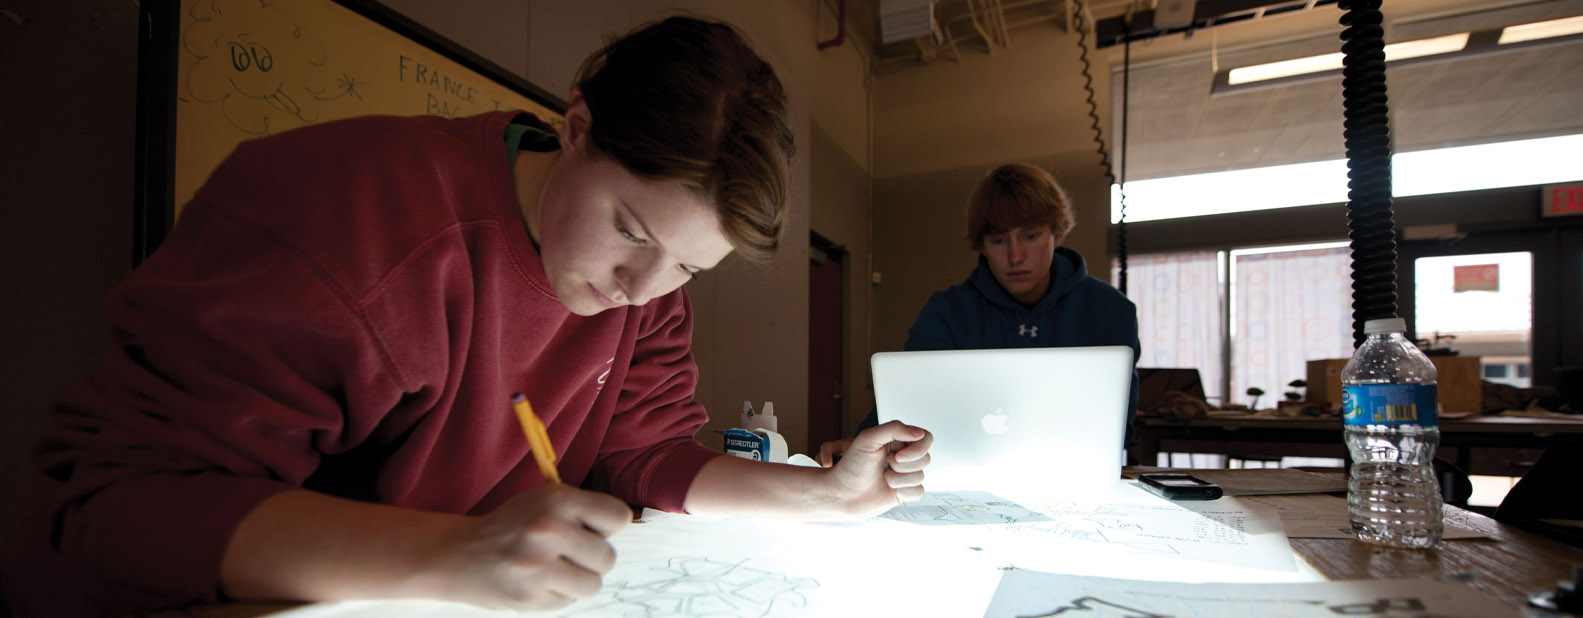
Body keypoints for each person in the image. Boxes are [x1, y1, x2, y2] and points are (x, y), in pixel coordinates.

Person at [3, 17, 931, 617]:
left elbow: (648, 456)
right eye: (627, 229)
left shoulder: (647, 293)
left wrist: (827, 495)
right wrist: (448, 553)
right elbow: (111, 508)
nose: (640, 288)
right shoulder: (352, 218)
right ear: (574, 125)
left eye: (689, 266)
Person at [820, 163, 1135, 465]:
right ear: (982, 246)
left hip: (1074, 475)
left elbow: (1118, 426)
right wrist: (863, 443)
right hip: (960, 477)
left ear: (1057, 234)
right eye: (999, 240)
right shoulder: (946, 311)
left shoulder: (1110, 310)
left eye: (1030, 236)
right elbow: (908, 406)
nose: (1015, 256)